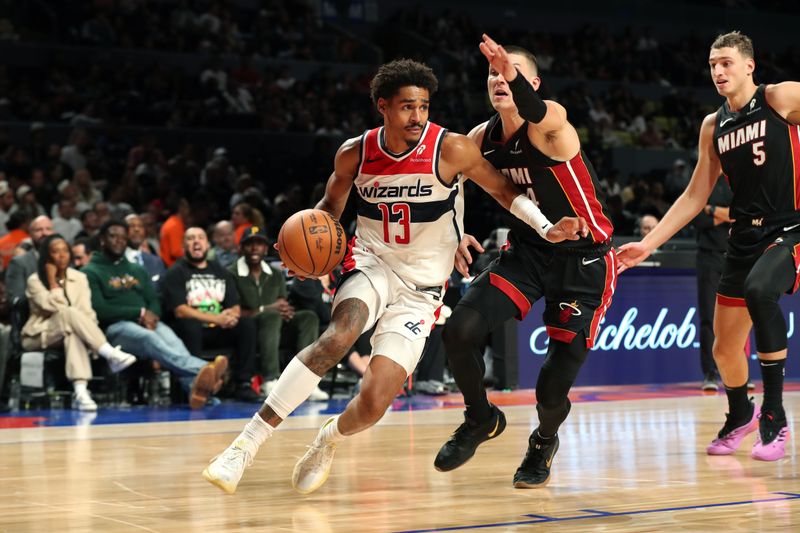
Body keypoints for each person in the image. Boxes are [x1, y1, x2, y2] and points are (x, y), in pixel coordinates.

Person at [202, 58, 586, 495]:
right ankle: (245, 445)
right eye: (406, 107)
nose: (417, 117)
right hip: (372, 263)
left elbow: (503, 191)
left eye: (423, 106)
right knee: (338, 337)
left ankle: (327, 438)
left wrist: (545, 226)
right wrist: (303, 253)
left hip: (422, 290)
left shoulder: (452, 148)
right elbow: (327, 213)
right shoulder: (355, 153)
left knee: (373, 402)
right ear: (382, 107)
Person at [434, 35, 616, 489]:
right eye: (492, 73)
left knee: (550, 388)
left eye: (508, 72)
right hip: (531, 250)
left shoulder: (552, 123)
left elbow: (536, 111)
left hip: (585, 259)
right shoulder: (482, 138)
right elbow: (466, 185)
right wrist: (454, 235)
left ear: (532, 81)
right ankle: (480, 418)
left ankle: (543, 441)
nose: (498, 78)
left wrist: (513, 74)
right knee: (461, 328)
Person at [617, 31, 799, 461]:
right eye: (713, 63)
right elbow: (695, 195)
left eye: (727, 63)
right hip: (743, 236)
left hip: (790, 228)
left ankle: (774, 414)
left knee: (759, 291)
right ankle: (741, 413)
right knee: (723, 347)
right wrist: (647, 243)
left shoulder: (781, 97)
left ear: (749, 65)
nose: (718, 70)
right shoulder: (713, 125)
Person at [83, 220, 227, 409]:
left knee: (174, 342)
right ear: (102, 240)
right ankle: (204, 369)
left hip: (147, 322)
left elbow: (153, 300)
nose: (119, 241)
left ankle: (196, 391)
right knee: (149, 339)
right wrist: (139, 312)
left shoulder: (137, 269)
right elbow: (100, 310)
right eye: (113, 236)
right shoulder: (90, 271)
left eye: (123, 237)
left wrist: (152, 315)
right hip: (116, 328)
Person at [21, 234, 137, 411]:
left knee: (73, 333)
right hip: (39, 335)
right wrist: (52, 282)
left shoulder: (79, 278)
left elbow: (87, 312)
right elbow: (54, 307)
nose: (62, 256)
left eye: (65, 251)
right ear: (47, 255)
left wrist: (87, 333)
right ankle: (109, 353)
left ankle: (81, 392)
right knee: (69, 313)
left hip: (69, 332)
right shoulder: (35, 281)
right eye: (55, 252)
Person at [162, 227, 261, 402]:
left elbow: (234, 305)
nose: (196, 242)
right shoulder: (175, 272)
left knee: (246, 324)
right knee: (190, 324)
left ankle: (243, 383)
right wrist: (217, 318)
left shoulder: (221, 271)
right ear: (183, 246)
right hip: (190, 332)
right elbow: (180, 310)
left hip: (218, 329)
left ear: (207, 244)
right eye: (191, 239)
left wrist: (232, 316)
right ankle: (196, 383)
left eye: (200, 238)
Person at [229, 225, 327, 399]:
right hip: (247, 329)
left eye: (259, 244)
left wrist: (286, 310)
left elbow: (281, 301)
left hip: (276, 327)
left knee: (308, 317)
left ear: (266, 248)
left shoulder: (275, 274)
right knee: (272, 316)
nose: (254, 248)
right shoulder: (232, 273)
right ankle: (270, 379)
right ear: (242, 248)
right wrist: (267, 309)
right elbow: (233, 311)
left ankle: (307, 381)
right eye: (249, 244)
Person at [693, 176, 734, 391]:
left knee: (737, 320)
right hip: (708, 257)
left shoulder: (737, 178)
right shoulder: (702, 180)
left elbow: (740, 215)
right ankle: (710, 372)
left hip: (735, 257)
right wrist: (724, 214)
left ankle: (735, 373)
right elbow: (697, 219)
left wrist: (711, 210)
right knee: (708, 318)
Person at [5, 215, 54, 302]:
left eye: (48, 229)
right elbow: (15, 299)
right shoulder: (19, 262)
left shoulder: (63, 259)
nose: (44, 233)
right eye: (39, 230)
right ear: (30, 234)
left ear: (53, 232)